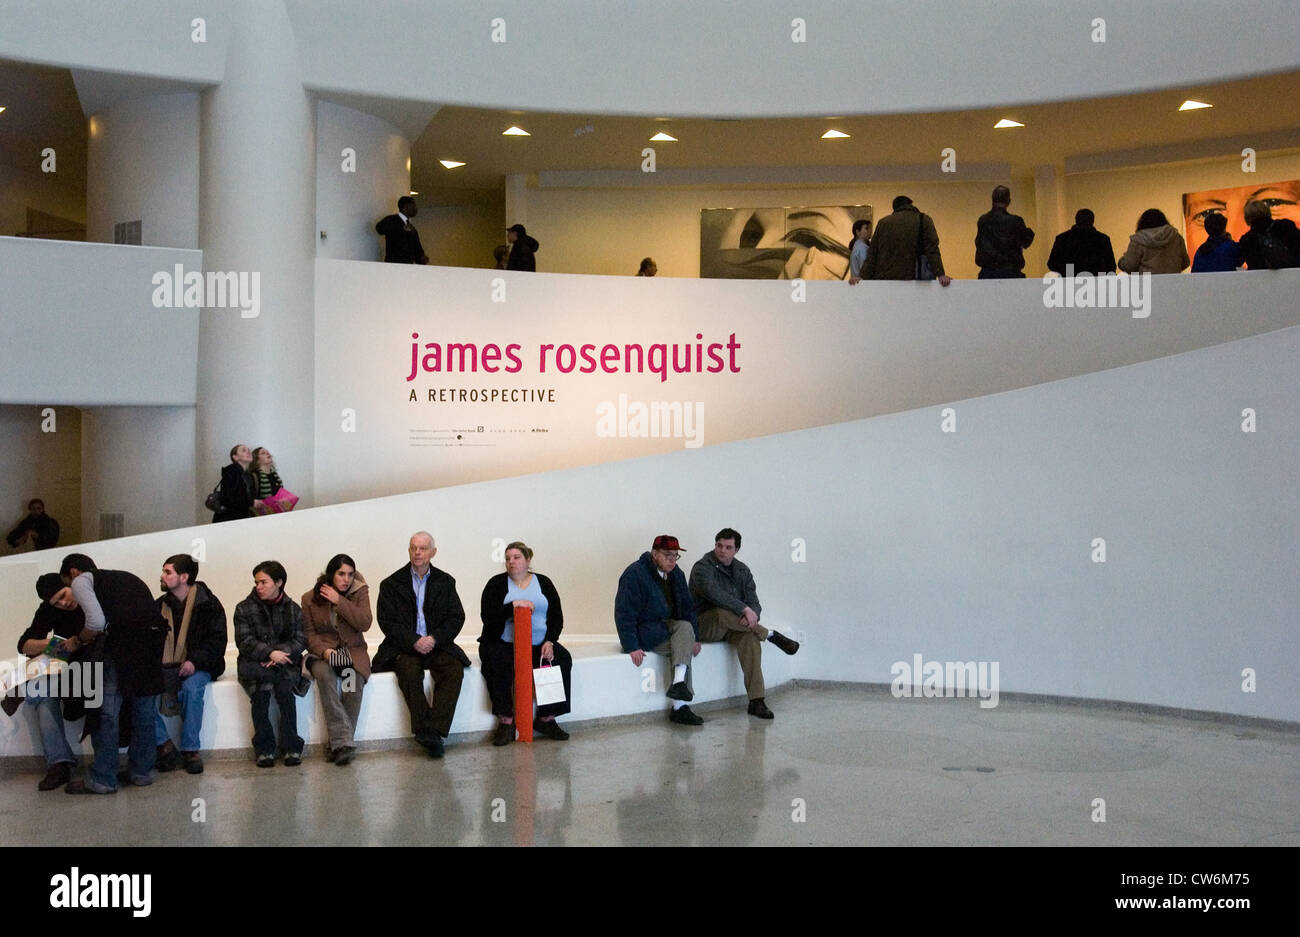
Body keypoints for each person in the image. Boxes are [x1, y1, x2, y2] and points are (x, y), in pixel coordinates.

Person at [59, 553, 167, 794]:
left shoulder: (82, 580)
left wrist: (77, 640)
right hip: (150, 647)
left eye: (68, 586)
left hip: (120, 649)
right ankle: (141, 772)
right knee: (144, 712)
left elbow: (96, 622)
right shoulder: (125, 578)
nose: (72, 593)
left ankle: (104, 778)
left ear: (74, 573)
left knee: (107, 714)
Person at [373, 531, 470, 758]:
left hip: (437, 644)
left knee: (453, 670)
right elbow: (386, 621)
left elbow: (456, 617)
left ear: (433, 552)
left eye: (423, 548)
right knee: (407, 670)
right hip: (405, 646)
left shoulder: (446, 582)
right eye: (413, 548)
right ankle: (428, 730)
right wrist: (414, 641)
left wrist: (433, 639)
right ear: (409, 550)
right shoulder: (390, 584)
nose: (417, 552)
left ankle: (433, 730)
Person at [689, 528, 801, 719]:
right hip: (706, 625)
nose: (722, 550)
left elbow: (754, 601)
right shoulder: (702, 567)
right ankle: (770, 635)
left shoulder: (742, 570)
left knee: (750, 639)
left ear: (736, 549)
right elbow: (715, 594)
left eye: (728, 547)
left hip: (735, 626)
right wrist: (744, 609)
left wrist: (753, 613)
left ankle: (756, 701)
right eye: (719, 546)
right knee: (720, 612)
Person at [478, 541, 572, 746]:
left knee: (562, 659)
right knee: (497, 663)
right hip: (503, 641)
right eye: (508, 558)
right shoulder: (496, 584)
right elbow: (488, 617)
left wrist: (550, 641)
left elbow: (556, 617)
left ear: (528, 560)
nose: (511, 562)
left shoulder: (544, 582)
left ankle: (546, 718)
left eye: (516, 557)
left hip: (539, 641)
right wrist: (512, 606)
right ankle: (506, 721)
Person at [614, 535, 704, 726]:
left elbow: (688, 608)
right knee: (683, 647)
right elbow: (624, 612)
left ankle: (678, 686)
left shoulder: (676, 573)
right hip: (646, 632)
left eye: (675, 556)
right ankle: (680, 707)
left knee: (686, 630)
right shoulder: (635, 574)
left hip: (668, 626)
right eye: (667, 555)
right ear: (654, 554)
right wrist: (631, 646)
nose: (672, 560)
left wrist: (695, 637)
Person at [153, 554, 226, 775]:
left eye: (168, 572)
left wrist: (194, 662)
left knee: (192, 689)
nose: (162, 576)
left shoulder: (208, 604)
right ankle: (164, 745)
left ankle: (190, 750)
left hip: (201, 665)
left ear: (184, 577)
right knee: (140, 695)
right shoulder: (158, 606)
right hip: (166, 667)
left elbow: (216, 641)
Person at [13, 573, 84, 790]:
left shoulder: (90, 597)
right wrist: (56, 643)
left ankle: (159, 744)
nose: (63, 603)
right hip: (67, 663)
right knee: (43, 696)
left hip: (97, 660)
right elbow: (24, 644)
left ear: (68, 585)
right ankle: (59, 763)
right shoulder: (49, 609)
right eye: (56, 602)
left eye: (63, 595)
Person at [302, 553, 372, 766]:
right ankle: (343, 742)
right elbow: (309, 634)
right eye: (341, 574)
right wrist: (324, 652)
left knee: (352, 683)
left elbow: (365, 622)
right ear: (331, 574)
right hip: (323, 653)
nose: (346, 579)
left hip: (350, 653)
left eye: (350, 575)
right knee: (325, 676)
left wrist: (339, 601)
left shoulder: (359, 592)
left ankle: (339, 744)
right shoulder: (309, 598)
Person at [234, 561, 305, 767]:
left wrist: (279, 654)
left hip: (284, 662)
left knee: (285, 691)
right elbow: (244, 641)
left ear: (279, 582)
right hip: (255, 663)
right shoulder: (244, 608)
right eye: (257, 582)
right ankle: (265, 749)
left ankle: (291, 747)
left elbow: (300, 639)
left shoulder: (293, 609)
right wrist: (268, 653)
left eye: (264, 582)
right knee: (261, 693)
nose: (259, 586)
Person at [862, 196, 952, 286]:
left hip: (886, 279)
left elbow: (872, 254)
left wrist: (862, 276)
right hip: (914, 278)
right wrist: (940, 274)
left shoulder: (883, 223)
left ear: (894, 208)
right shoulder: (923, 219)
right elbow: (932, 249)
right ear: (910, 204)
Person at [974, 185, 1035, 278]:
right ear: (1008, 201)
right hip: (1012, 271)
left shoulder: (983, 220)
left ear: (992, 200)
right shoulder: (1016, 221)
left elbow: (979, 243)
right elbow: (1026, 242)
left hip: (988, 272)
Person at [1117, 209, 1190, 274]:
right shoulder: (1176, 237)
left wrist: (1121, 261)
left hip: (1147, 286)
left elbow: (1129, 266)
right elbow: (1185, 263)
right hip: (1173, 285)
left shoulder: (1138, 240)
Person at [1046, 209, 1116, 276]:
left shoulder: (1062, 238)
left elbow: (1052, 264)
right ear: (1092, 221)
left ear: (1076, 220)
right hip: (1097, 283)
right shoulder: (1103, 239)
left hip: (1069, 283)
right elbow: (1111, 266)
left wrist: (1068, 271)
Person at [375, 195, 429, 264]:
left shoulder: (412, 228)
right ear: (406, 207)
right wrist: (400, 229)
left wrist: (422, 258)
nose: (416, 209)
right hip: (393, 266)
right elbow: (379, 229)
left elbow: (417, 250)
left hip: (407, 268)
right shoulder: (391, 220)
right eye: (413, 206)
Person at [212, 444, 257, 523]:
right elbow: (228, 498)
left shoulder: (248, 475)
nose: (248, 452)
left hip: (239, 519)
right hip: (229, 520)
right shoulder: (232, 471)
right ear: (235, 457)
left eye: (249, 451)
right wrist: (252, 502)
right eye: (244, 450)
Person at [847, 219, 871, 284]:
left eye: (870, 228)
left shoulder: (856, 246)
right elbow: (866, 270)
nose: (870, 231)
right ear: (858, 232)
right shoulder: (862, 248)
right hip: (862, 284)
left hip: (857, 284)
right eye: (866, 228)